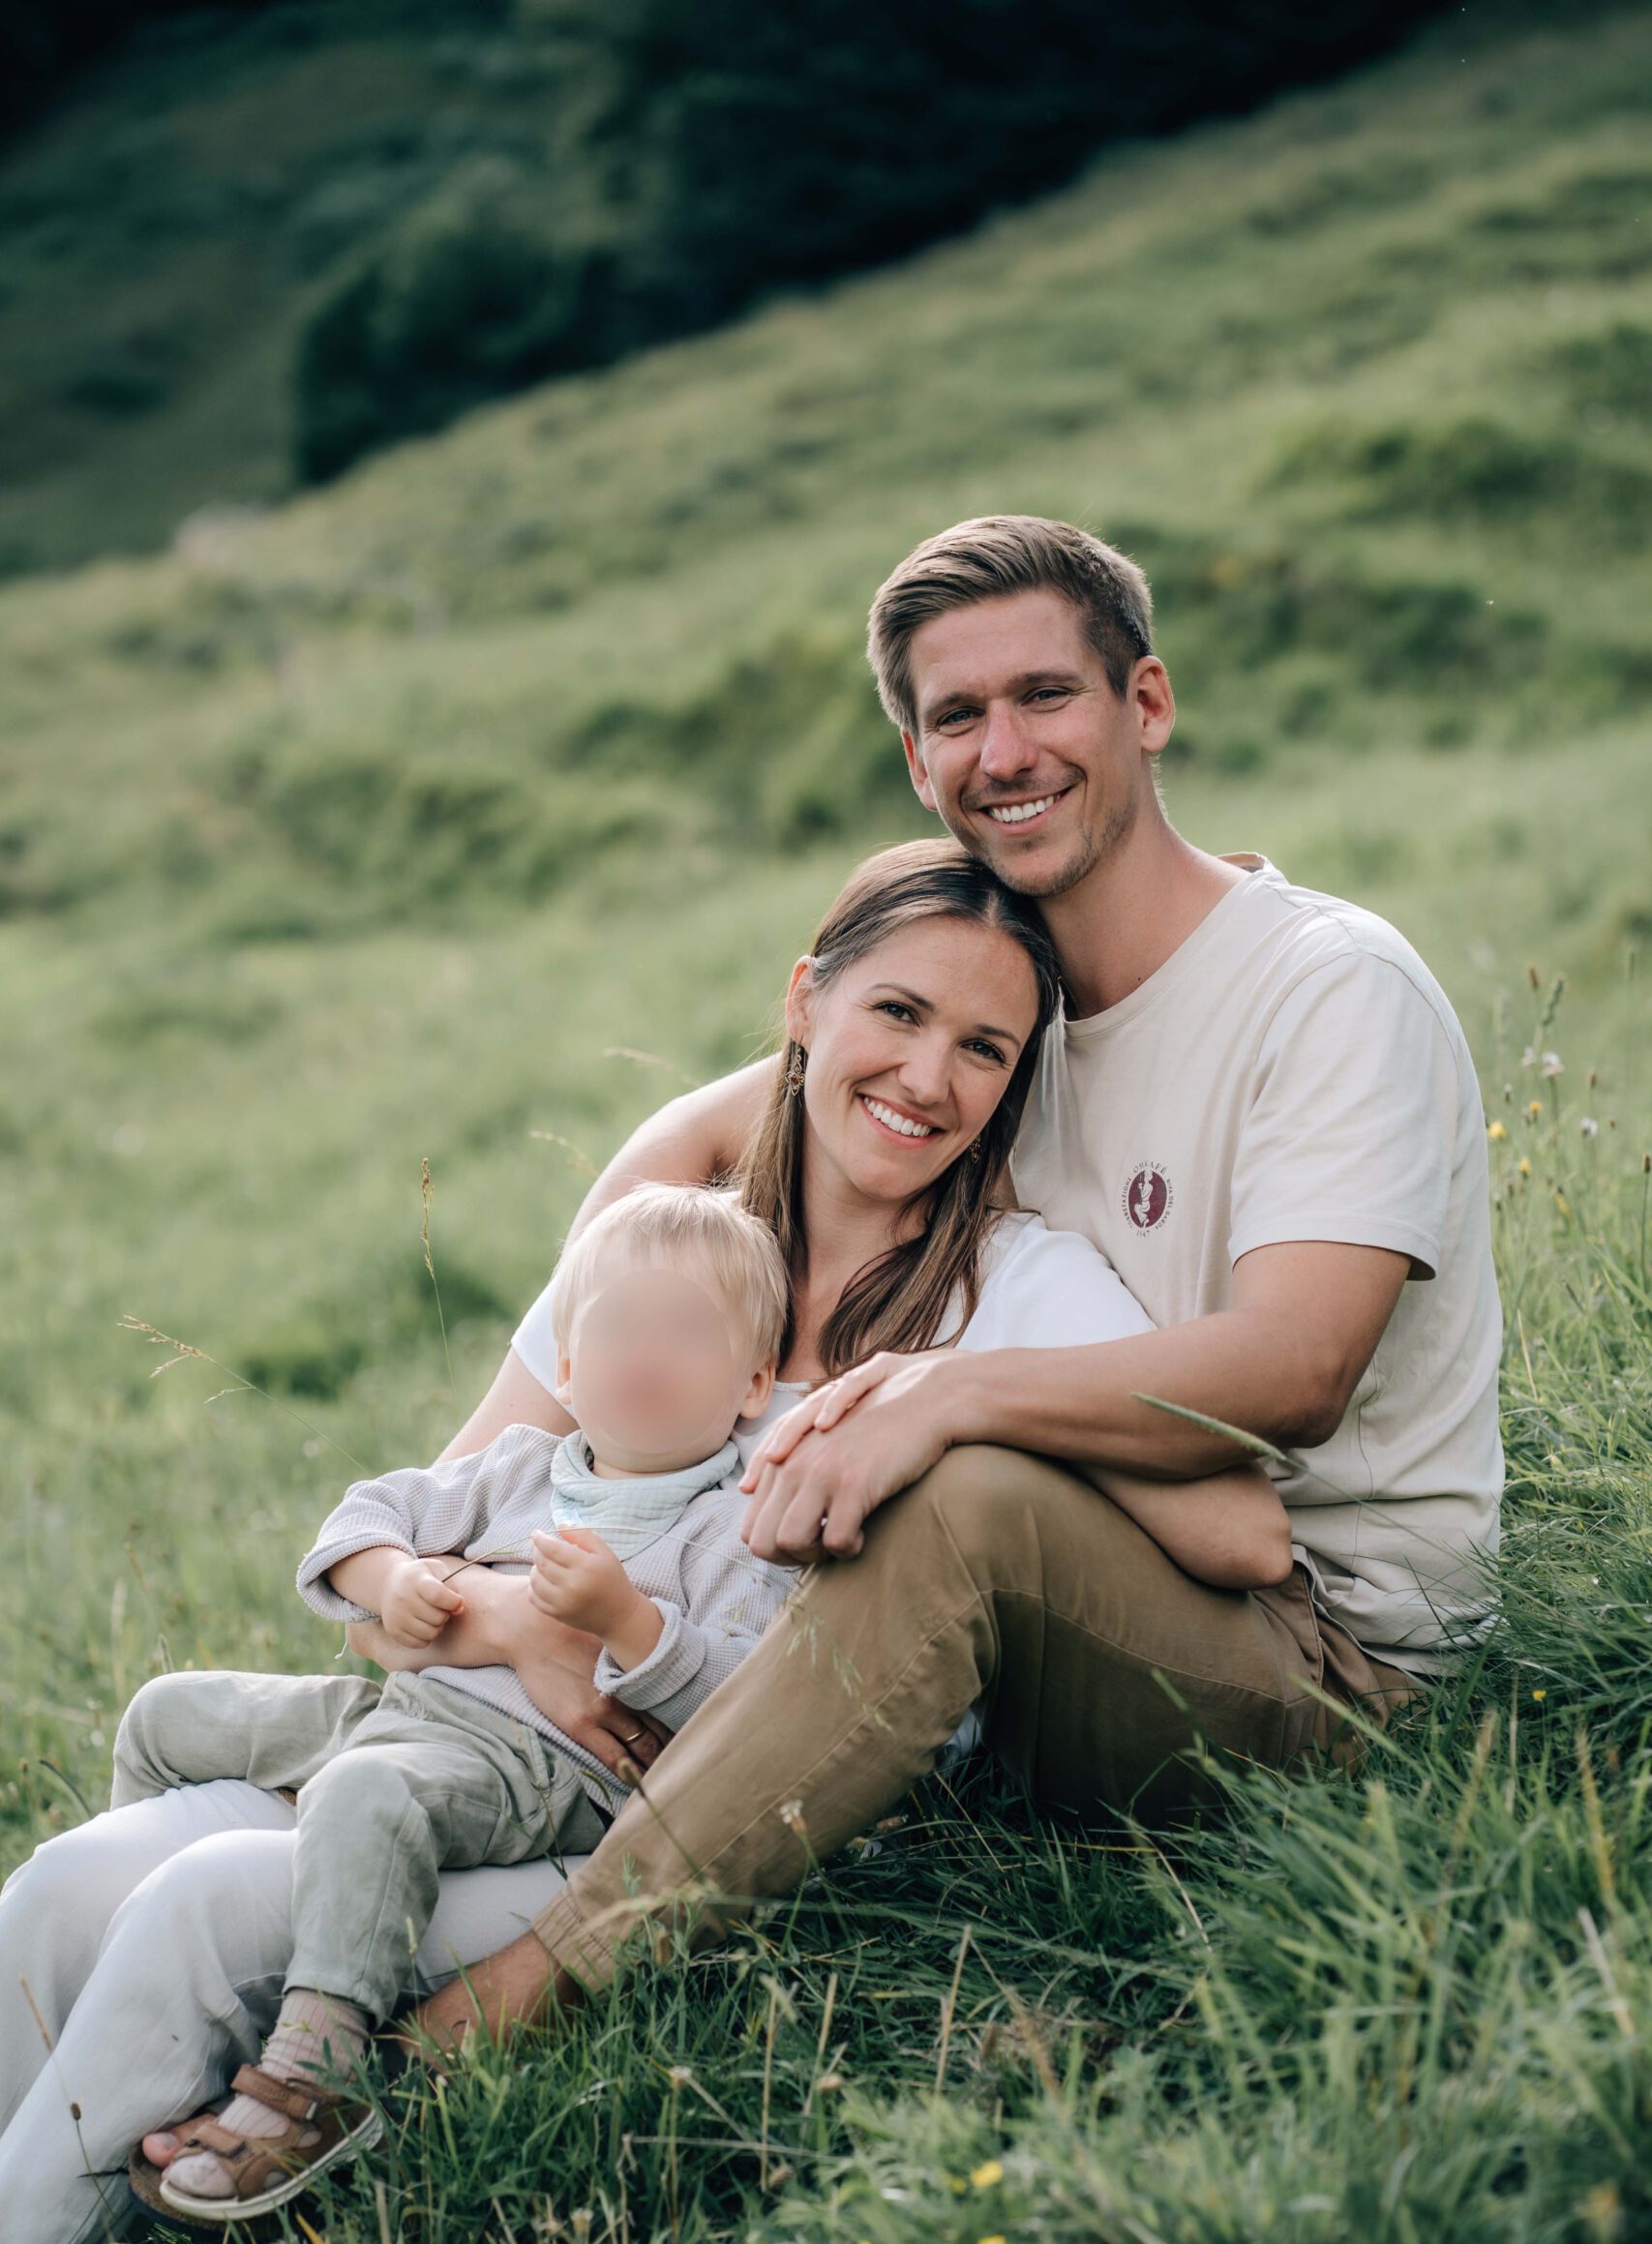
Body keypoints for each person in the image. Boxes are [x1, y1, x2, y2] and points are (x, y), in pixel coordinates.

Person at [0, 836, 1283, 2244]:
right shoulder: (668, 1247)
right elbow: (394, 1573)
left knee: (206, 1906)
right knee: (69, 1881)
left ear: (1015, 1084)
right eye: (895, 1013)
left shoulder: (1017, 1286)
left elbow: (1240, 1530)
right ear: (804, 1002)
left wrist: (946, 1400)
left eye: (982, 1049)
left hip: (678, 1812)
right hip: (466, 1733)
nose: (927, 1078)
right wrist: (518, 1630)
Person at [394, 511, 1502, 2053]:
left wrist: (939, 1394)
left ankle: (516, 2000)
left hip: (1322, 1655)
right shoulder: (998, 1022)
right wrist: (647, 1184)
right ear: (918, 764)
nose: (1005, 751)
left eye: (1044, 695)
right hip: (1075, 1627)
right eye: (956, 716)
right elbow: (759, 1107)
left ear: (1145, 703)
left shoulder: (1322, 989)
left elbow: (1297, 1368)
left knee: (959, 1493)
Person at [107, 1182, 796, 2220]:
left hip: (535, 1768)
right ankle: (118, 1931)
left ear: (753, 1383)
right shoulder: (519, 1467)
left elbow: (740, 1707)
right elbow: (364, 1515)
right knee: (166, 1712)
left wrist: (628, 1623)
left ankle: (315, 2075)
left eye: (687, 1332)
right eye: (618, 1326)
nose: (646, 1355)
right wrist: (390, 1579)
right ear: (568, 1368)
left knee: (368, 1793)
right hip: (402, 1712)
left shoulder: (730, 1529)